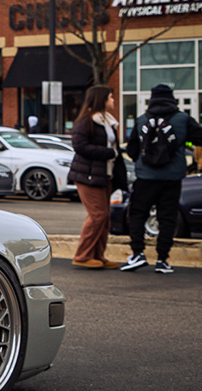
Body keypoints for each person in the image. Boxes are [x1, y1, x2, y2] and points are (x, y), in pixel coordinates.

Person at [121, 84, 202, 274]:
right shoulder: (183, 119)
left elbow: (132, 150)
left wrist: (144, 161)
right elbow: (199, 138)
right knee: (167, 217)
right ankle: (162, 259)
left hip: (145, 177)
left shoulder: (142, 120)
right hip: (172, 178)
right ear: (172, 98)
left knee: (138, 213)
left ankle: (138, 253)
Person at [67, 85, 122, 270]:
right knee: (98, 215)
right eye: (110, 97)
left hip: (104, 174)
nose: (113, 100)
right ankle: (82, 255)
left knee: (105, 217)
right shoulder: (86, 121)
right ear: (101, 99)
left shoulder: (107, 121)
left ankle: (98, 255)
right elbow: (79, 146)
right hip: (87, 175)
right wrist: (109, 153)